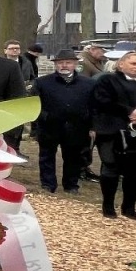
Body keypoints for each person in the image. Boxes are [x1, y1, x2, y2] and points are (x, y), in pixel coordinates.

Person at [90, 51, 136, 220]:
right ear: (121, 64)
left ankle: (129, 208)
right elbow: (102, 101)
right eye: (133, 63)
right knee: (110, 167)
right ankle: (108, 206)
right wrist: (130, 111)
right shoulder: (107, 80)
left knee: (135, 171)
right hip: (111, 130)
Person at [33, 49, 93, 193]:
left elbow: (93, 106)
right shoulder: (42, 82)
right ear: (55, 64)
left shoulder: (88, 83)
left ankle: (71, 185)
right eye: (60, 63)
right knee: (46, 156)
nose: (64, 65)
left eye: (68, 62)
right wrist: (44, 117)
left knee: (73, 157)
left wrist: (91, 125)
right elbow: (34, 105)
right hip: (49, 126)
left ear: (75, 64)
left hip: (77, 127)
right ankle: (48, 184)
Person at [2, 39, 38, 152]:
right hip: (5, 99)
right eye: (11, 48)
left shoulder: (27, 63)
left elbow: (33, 78)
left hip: (22, 98)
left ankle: (16, 150)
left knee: (20, 126)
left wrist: (29, 86)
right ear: (5, 51)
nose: (14, 50)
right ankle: (7, 149)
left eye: (17, 48)